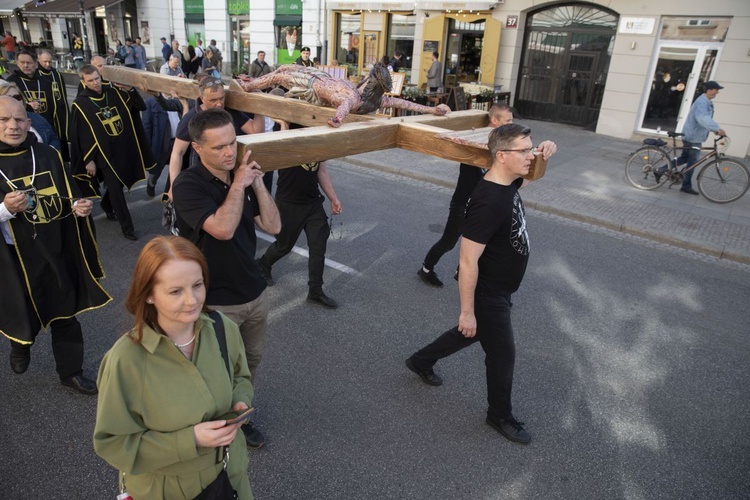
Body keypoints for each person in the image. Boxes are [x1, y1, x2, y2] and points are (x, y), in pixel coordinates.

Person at [406, 123, 543, 445]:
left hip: (500, 289)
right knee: (502, 354)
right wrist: (466, 311)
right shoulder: (487, 202)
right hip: (488, 292)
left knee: (472, 334)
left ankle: (420, 360)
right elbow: (467, 261)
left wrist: (545, 151)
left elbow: (536, 169)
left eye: (531, 148)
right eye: (525, 151)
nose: (530, 156)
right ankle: (499, 415)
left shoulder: (508, 180)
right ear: (502, 156)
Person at [93, 236, 254, 499]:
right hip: (169, 489)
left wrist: (240, 401)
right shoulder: (125, 360)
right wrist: (189, 440)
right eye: (175, 291)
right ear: (148, 295)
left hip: (231, 472)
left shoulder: (222, 328)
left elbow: (240, 376)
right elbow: (113, 443)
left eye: (198, 285)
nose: (192, 300)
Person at [172, 108, 281, 449]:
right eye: (219, 147)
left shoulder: (242, 176)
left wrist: (258, 182)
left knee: (248, 365)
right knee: (216, 369)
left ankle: (239, 417)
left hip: (254, 294)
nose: (230, 152)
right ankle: (211, 425)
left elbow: (274, 227)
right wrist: (239, 184)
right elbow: (221, 229)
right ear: (197, 149)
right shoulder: (188, 185)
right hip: (217, 300)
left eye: (233, 143)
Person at [0, 95, 109, 394]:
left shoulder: (47, 154)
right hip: (11, 257)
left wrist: (78, 206)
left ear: (29, 122)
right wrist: (6, 209)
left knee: (65, 310)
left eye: (19, 119)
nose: (13, 126)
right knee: (21, 310)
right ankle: (21, 343)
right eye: (4, 120)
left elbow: (65, 195)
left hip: (52, 246)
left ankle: (71, 372)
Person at [418, 104, 556, 287]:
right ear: (495, 121)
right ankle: (426, 268)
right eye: (507, 121)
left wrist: (541, 150)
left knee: (484, 248)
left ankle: (489, 288)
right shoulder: (475, 144)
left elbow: (520, 162)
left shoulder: (506, 146)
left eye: (512, 120)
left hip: (485, 206)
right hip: (463, 205)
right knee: (449, 242)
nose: (511, 123)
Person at [257, 124, 343, 308]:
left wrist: (333, 198)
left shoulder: (319, 139)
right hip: (289, 203)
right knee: (284, 246)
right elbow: (279, 141)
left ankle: (315, 291)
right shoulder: (286, 133)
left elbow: (321, 170)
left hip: (313, 204)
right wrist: (284, 123)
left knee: (318, 247)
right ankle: (263, 264)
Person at [70, 65, 155, 240]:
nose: (95, 83)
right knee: (115, 189)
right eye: (90, 80)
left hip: (122, 147)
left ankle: (107, 205)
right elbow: (82, 135)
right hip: (102, 153)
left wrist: (130, 89)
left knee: (121, 180)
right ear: (83, 82)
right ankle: (127, 227)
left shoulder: (114, 93)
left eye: (97, 78)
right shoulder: (81, 104)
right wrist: (88, 160)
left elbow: (139, 106)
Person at [166, 76, 263, 200]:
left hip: (231, 176)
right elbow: (177, 152)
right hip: (203, 179)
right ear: (202, 98)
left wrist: (260, 106)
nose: (219, 103)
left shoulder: (229, 111)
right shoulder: (191, 118)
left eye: (222, 98)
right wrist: (174, 185)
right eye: (213, 100)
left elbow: (255, 130)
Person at [677, 81, 727, 195]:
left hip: (692, 135)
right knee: (692, 162)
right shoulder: (702, 102)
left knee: (685, 158)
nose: (718, 92)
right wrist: (716, 129)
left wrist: (713, 129)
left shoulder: (706, 101)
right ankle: (686, 186)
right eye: (716, 89)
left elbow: (703, 120)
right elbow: (702, 118)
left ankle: (662, 170)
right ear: (709, 90)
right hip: (693, 137)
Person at [0, 80, 61, 151]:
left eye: (17, 97)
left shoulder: (37, 118)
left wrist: (49, 154)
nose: (14, 101)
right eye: (8, 98)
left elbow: (53, 138)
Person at [142, 91, 183, 197]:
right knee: (157, 169)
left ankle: (171, 192)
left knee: (175, 168)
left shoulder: (178, 100)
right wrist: (148, 147)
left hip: (178, 141)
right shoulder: (150, 102)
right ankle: (151, 183)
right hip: (162, 142)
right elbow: (146, 126)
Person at [6, 50, 56, 134]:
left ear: (36, 64)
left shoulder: (46, 82)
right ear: (17, 63)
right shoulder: (10, 83)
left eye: (28, 62)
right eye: (22, 62)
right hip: (22, 129)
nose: (25, 65)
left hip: (46, 127)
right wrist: (27, 106)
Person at [35, 48, 69, 160]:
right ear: (38, 59)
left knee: (61, 138)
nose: (48, 64)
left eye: (50, 61)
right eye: (45, 61)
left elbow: (63, 95)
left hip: (59, 112)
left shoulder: (56, 74)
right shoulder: (36, 75)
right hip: (45, 113)